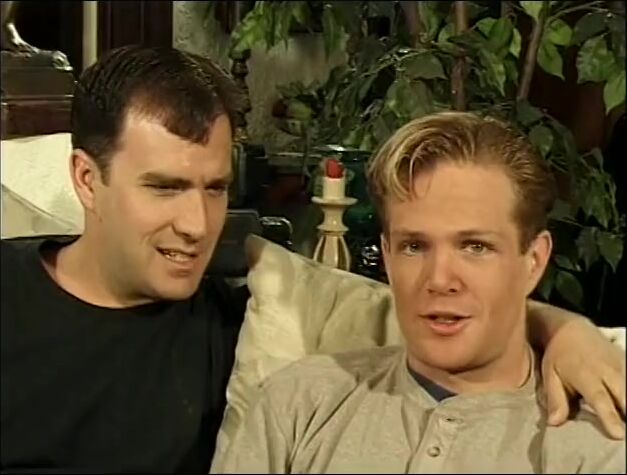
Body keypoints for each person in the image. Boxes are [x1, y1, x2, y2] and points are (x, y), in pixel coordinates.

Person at [0, 46, 623, 474]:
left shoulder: (249, 318)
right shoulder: (10, 292)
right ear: (87, 179)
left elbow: (427, 306)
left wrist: (569, 331)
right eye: (164, 188)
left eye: (215, 189)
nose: (196, 225)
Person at [211, 112, 626, 474]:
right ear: (387, 257)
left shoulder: (596, 444)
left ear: (533, 260)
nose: (439, 279)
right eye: (414, 246)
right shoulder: (299, 402)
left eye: (474, 247)